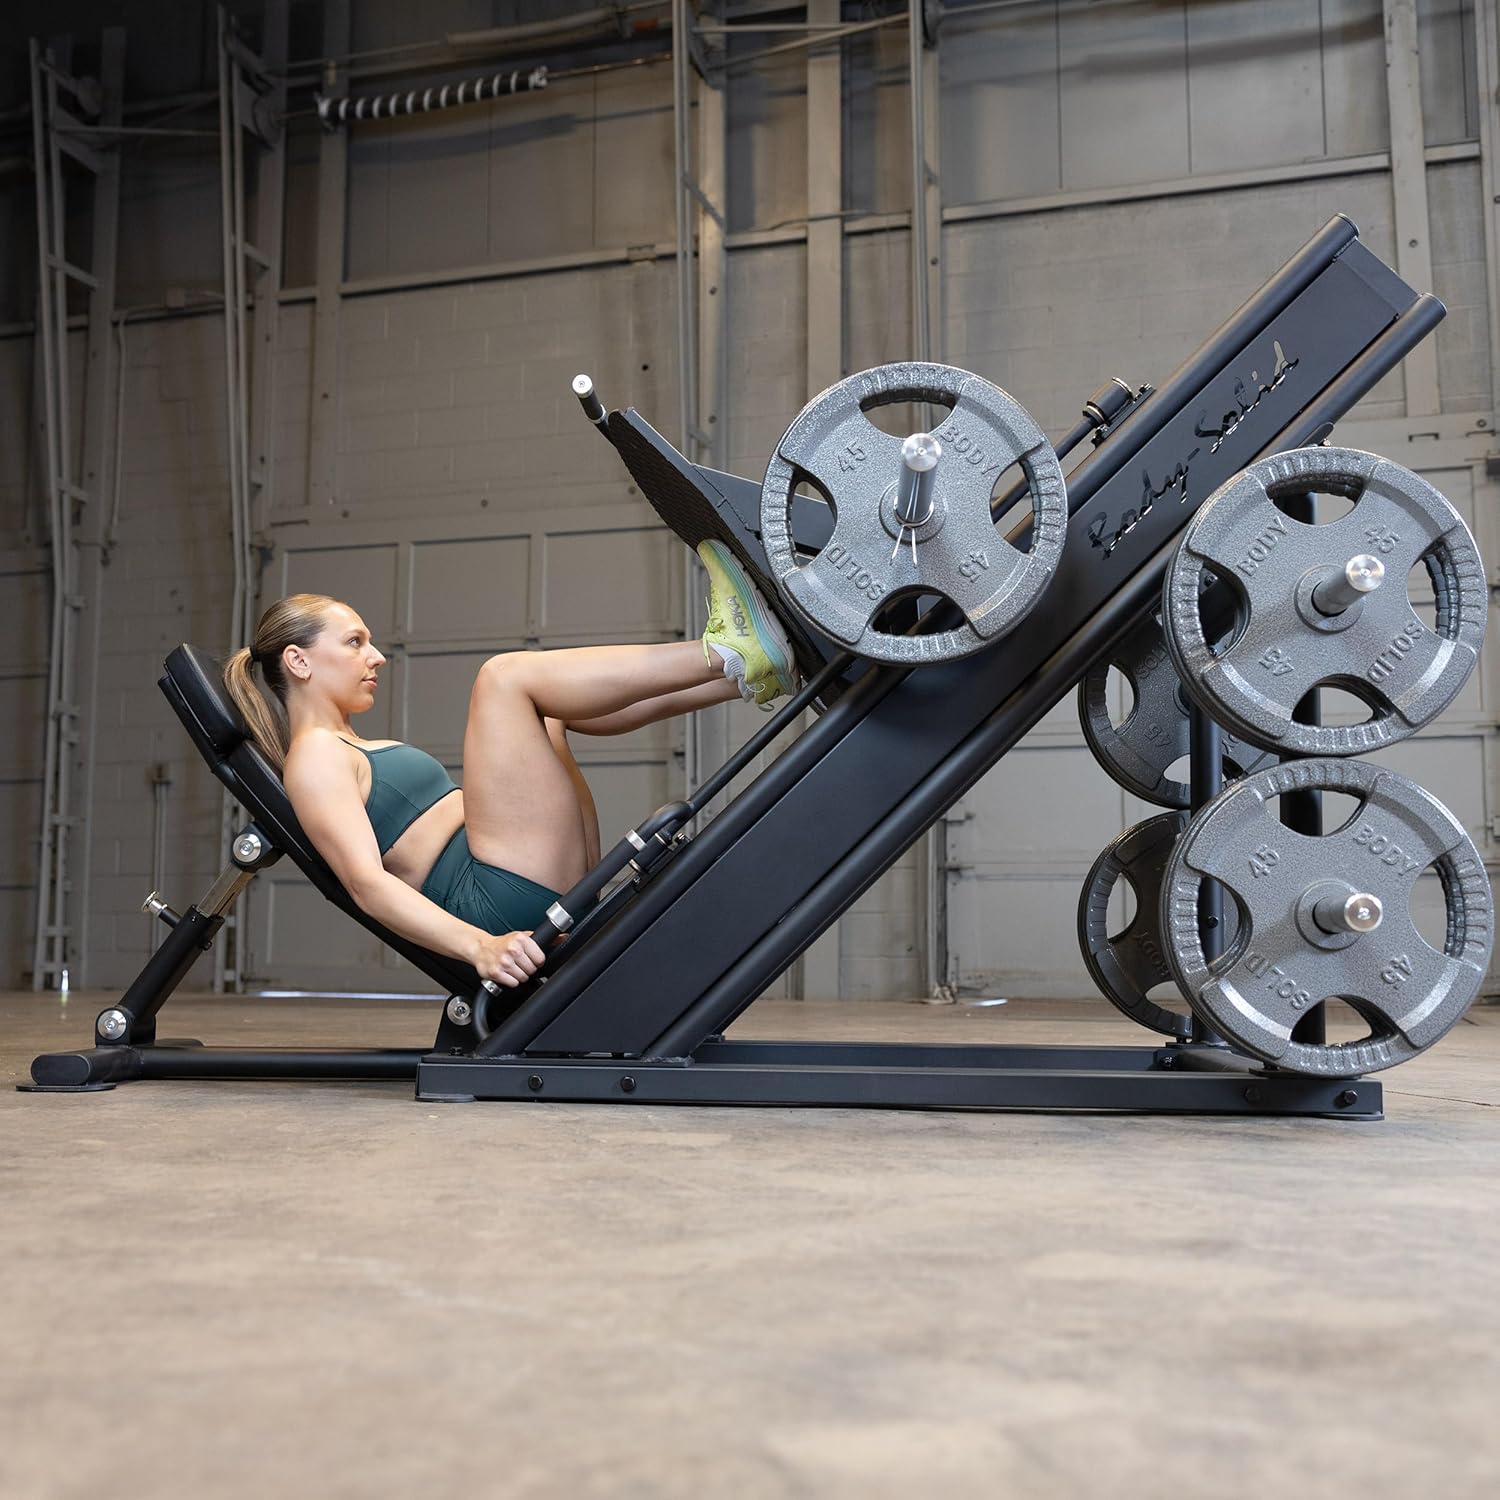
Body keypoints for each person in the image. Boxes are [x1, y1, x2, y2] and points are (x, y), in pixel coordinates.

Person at [223, 541, 796, 991]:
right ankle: (726, 650)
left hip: (513, 874)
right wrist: (480, 947)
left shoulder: (343, 744)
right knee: (504, 678)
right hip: (495, 900)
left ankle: (745, 676)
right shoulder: (315, 756)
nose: (375, 656)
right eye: (353, 642)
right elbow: (366, 886)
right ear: (298, 661)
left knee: (549, 715)